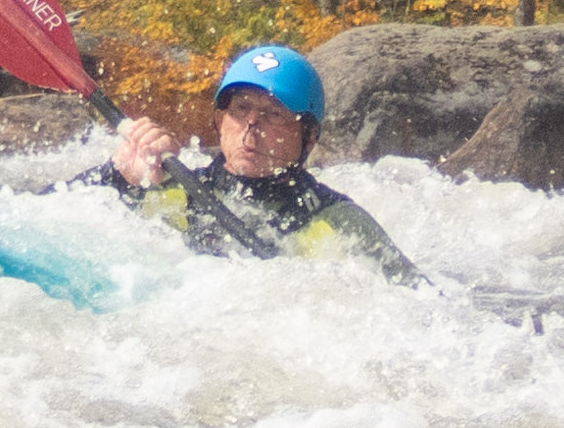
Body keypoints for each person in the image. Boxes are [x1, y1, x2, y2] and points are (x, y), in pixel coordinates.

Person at [101, 43, 416, 279]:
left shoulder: (340, 224)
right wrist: (118, 173)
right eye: (241, 109)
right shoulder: (171, 192)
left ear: (308, 138)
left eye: (274, 113)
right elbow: (70, 232)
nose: (252, 124)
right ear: (220, 121)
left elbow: (423, 307)